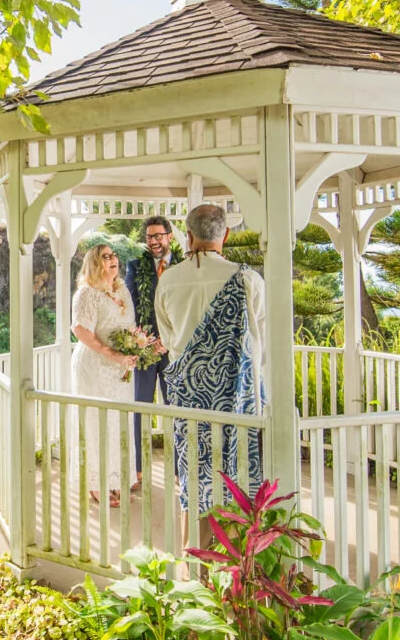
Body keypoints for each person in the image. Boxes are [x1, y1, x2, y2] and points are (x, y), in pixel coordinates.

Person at [154, 203, 265, 515]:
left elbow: (167, 340)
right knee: (240, 480)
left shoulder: (169, 280)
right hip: (238, 397)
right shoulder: (248, 280)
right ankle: (240, 556)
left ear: (188, 237)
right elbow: (261, 343)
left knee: (195, 477)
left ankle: (196, 558)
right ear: (226, 234)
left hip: (188, 396)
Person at [69, 243, 136, 507]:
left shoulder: (122, 290)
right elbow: (81, 330)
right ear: (94, 264)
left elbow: (128, 327)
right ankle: (95, 483)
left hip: (119, 368)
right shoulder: (86, 293)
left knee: (119, 421)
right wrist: (111, 353)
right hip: (94, 366)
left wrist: (135, 346)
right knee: (96, 421)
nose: (112, 260)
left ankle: (117, 477)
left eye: (114, 255)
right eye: (105, 256)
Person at [123, 216, 179, 487]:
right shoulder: (135, 266)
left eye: (158, 236)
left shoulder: (184, 266)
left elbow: (186, 308)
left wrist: (168, 341)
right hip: (146, 349)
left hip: (174, 351)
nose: (154, 241)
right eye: (149, 237)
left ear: (169, 236)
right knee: (139, 408)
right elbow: (130, 305)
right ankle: (138, 470)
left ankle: (181, 470)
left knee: (177, 409)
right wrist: (143, 340)